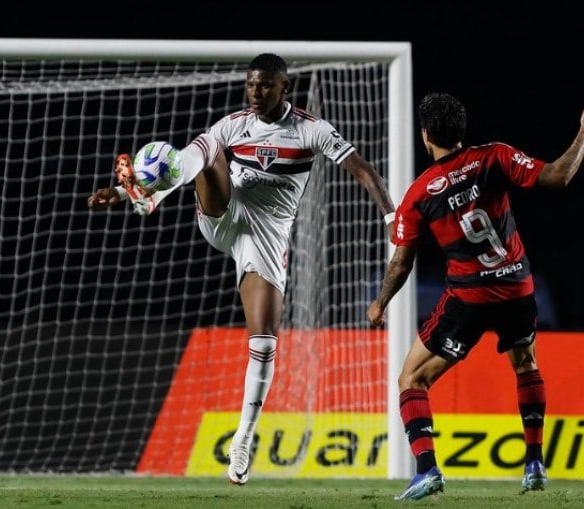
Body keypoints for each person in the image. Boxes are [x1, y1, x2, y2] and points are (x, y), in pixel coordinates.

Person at [88, 53, 395, 485]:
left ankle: (243, 440)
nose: (255, 92)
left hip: (267, 236)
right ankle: (149, 194)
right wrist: (122, 195)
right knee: (207, 144)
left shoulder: (311, 129)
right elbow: (195, 158)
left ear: (284, 88)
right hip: (226, 212)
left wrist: (389, 217)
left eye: (266, 85)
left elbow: (362, 170)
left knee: (265, 343)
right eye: (251, 84)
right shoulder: (236, 122)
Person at [367, 93, 584, 500]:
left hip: (469, 299)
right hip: (517, 287)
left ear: (426, 136)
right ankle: (534, 462)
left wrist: (380, 303)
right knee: (526, 364)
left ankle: (427, 470)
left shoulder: (420, 194)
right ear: (462, 130)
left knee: (412, 378)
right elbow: (558, 176)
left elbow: (401, 264)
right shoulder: (495, 156)